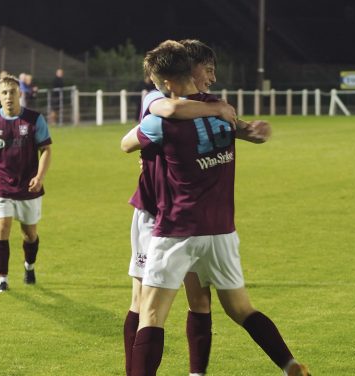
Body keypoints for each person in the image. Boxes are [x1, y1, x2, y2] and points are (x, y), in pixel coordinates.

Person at [120, 40, 309, 376]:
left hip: (176, 228)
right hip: (221, 230)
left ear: (165, 82)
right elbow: (238, 130)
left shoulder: (160, 118)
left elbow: (127, 143)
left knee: (149, 314)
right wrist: (252, 130)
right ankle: (290, 364)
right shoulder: (225, 111)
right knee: (240, 308)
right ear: (191, 70)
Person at [123, 41, 237, 376]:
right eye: (207, 70)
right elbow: (130, 140)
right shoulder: (157, 101)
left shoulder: (205, 107)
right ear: (188, 72)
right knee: (143, 302)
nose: (211, 79)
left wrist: (244, 127)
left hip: (190, 217)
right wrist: (216, 110)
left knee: (200, 299)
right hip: (153, 212)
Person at [0, 75, 53, 293]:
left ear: (20, 94)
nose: (9, 96)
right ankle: (3, 279)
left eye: (12, 92)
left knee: (29, 235)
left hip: (29, 187)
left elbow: (46, 149)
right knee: (2, 229)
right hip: (1, 185)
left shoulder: (34, 119)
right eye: (4, 93)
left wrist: (40, 177)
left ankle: (29, 266)